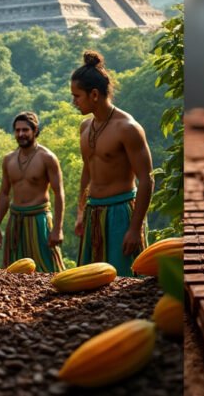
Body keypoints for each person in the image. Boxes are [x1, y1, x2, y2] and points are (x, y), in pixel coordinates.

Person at [71, 51, 153, 277]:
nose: (74, 102)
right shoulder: (85, 127)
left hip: (121, 213)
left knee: (124, 280)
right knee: (89, 282)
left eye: (77, 96)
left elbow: (146, 179)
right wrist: (81, 213)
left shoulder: (127, 128)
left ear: (94, 94)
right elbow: (87, 172)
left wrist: (135, 228)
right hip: (92, 212)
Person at [0, 111, 65, 272]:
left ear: (35, 131)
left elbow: (59, 193)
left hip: (39, 219)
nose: (21, 134)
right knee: (13, 270)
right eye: (17, 130)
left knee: (48, 269)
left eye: (25, 130)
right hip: (15, 220)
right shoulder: (9, 159)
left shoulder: (47, 158)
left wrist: (58, 229)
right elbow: (4, 194)